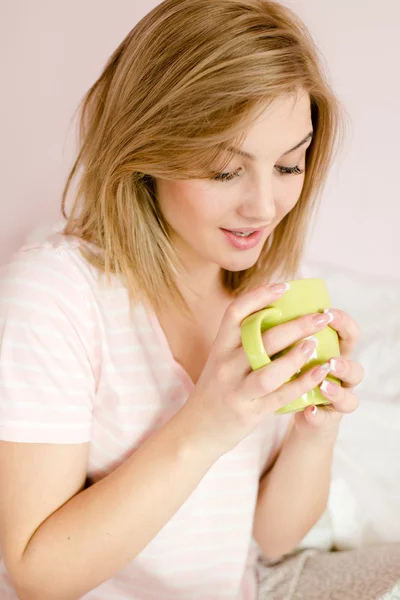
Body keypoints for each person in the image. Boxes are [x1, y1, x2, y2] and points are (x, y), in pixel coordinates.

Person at [0, 1, 366, 598]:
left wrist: (314, 430)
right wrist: (206, 422)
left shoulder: (269, 286)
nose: (265, 207)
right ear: (147, 151)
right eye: (226, 171)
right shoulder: (56, 296)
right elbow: (38, 574)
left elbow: (271, 539)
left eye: (288, 165)